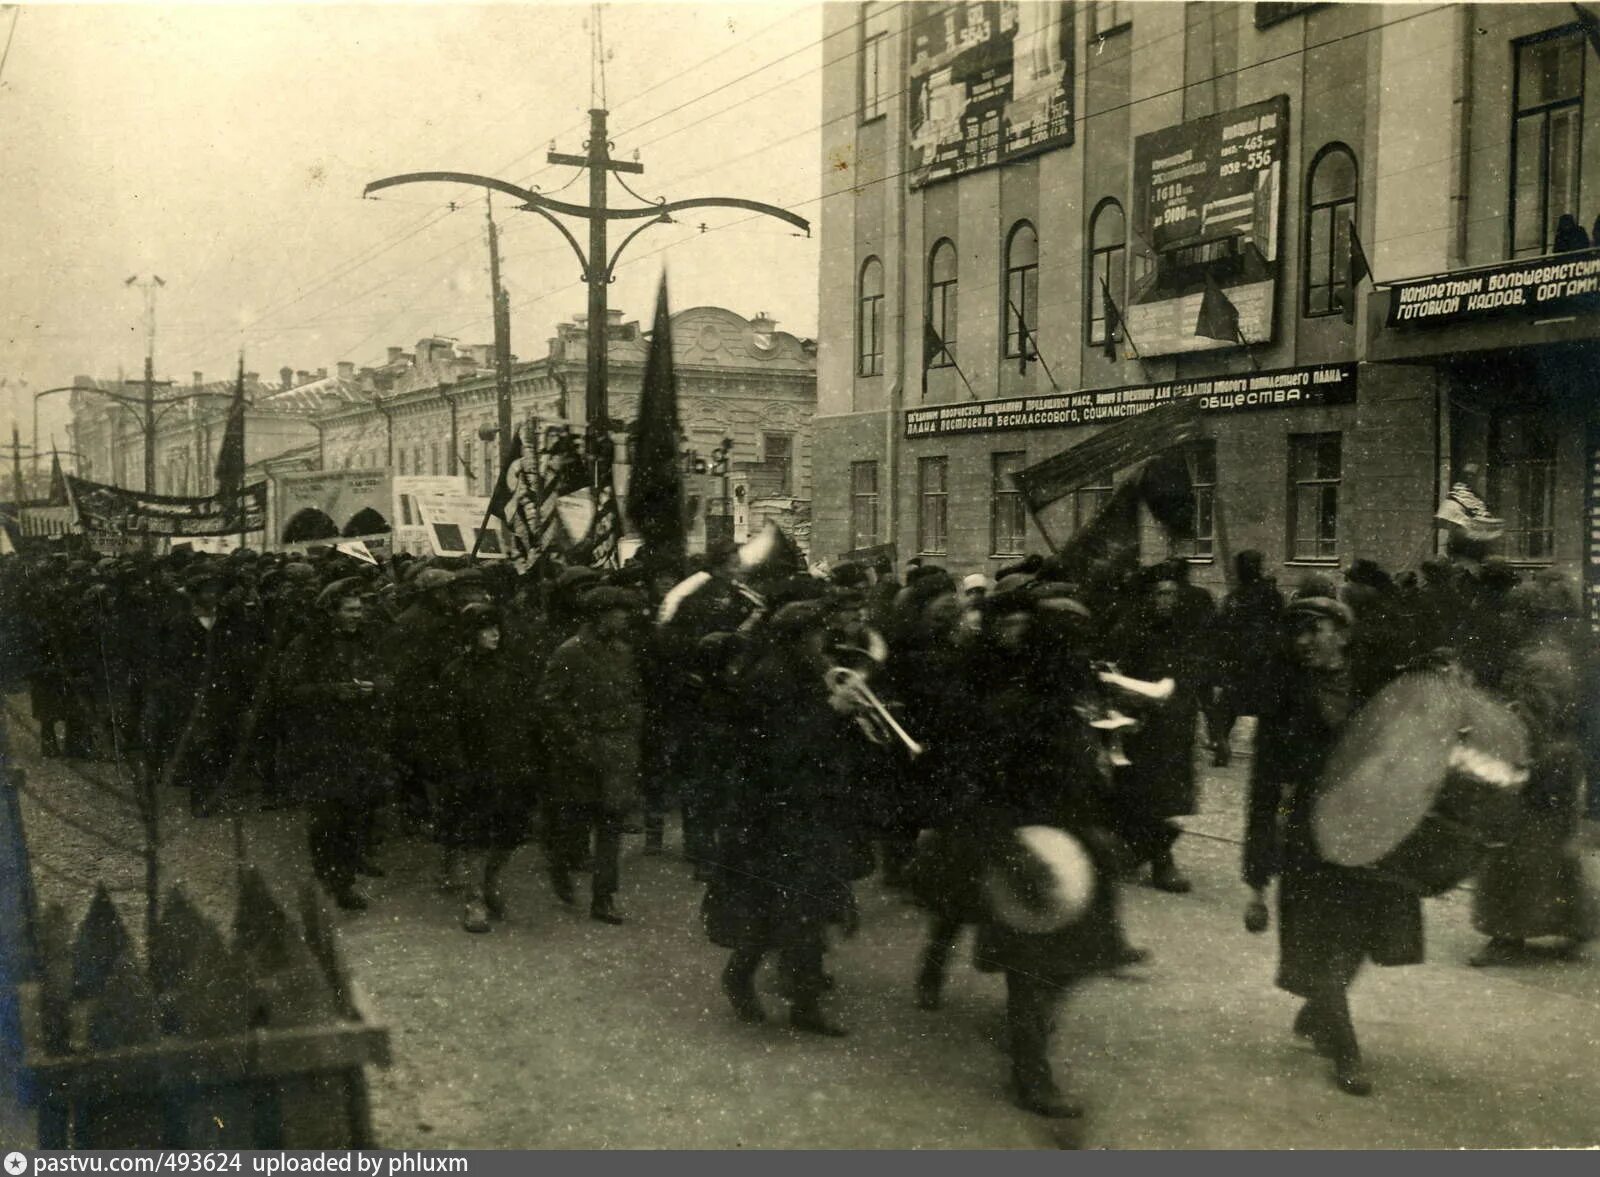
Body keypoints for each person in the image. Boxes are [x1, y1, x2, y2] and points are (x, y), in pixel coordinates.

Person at [1243, 595, 1422, 1097]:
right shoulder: (1284, 695)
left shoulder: (1377, 685)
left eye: (1314, 629)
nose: (1303, 641)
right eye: (1296, 633)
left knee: (1367, 933)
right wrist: (1257, 871)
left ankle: (1320, 1007)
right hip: (1310, 836)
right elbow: (1264, 781)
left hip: (1370, 828)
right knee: (1323, 938)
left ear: (1342, 633)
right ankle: (1345, 1049)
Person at [703, 600, 866, 1036]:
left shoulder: (801, 672)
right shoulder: (769, 679)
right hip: (774, 815)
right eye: (816, 635)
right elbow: (778, 753)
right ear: (797, 638)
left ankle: (800, 1001)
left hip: (806, 807)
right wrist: (832, 710)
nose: (823, 644)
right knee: (783, 910)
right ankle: (753, 983)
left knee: (798, 910)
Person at [278, 577, 392, 911]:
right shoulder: (307, 646)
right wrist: (332, 691)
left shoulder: (368, 640)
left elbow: (388, 675)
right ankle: (337, 880)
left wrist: (376, 687)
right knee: (328, 813)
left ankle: (352, 860)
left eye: (360, 609)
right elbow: (287, 691)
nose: (359, 615)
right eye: (351, 610)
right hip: (322, 741)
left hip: (362, 737)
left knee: (358, 806)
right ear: (332, 612)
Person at [536, 585, 645, 925]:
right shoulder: (570, 652)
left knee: (611, 824)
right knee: (574, 821)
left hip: (616, 750)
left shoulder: (623, 651)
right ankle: (559, 864)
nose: (625, 617)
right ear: (600, 615)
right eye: (618, 611)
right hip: (581, 752)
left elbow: (632, 694)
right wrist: (575, 739)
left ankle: (604, 897)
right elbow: (548, 699)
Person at [440, 603, 540, 933]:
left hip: (511, 762)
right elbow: (448, 724)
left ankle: (492, 880)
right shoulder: (455, 672)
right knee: (476, 835)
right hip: (475, 765)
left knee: (510, 831)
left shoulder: (509, 669)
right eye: (486, 628)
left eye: (497, 627)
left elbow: (525, 715)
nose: (495, 634)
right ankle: (475, 899)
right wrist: (458, 765)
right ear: (471, 634)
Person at [1107, 572, 1206, 892]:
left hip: (1172, 727)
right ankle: (1161, 861)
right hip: (1138, 727)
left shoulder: (1180, 634)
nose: (1167, 600)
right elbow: (1114, 677)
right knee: (1146, 793)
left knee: (1160, 793)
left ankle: (1137, 851)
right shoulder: (1129, 632)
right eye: (1161, 594)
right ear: (1148, 597)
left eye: (1172, 594)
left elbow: (1186, 677)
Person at [1205, 550, 1283, 766]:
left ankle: (1222, 745)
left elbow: (1221, 630)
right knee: (1267, 709)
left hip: (1240, 663)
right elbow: (1278, 627)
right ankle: (1269, 753)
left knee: (1226, 709)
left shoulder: (1235, 599)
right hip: (1261, 662)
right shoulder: (1270, 596)